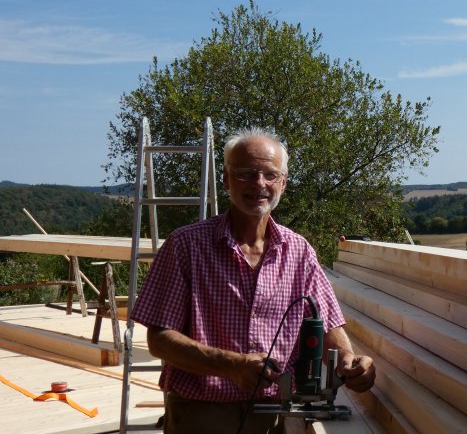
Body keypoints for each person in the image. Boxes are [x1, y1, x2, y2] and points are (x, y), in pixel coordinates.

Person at [132, 127, 376, 433]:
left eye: (270, 175)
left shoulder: (298, 251)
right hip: (202, 415)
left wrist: (350, 361)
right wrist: (232, 365)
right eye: (246, 174)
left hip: (275, 416)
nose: (259, 184)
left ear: (283, 183)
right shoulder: (186, 246)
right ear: (226, 180)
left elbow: (327, 324)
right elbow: (159, 340)